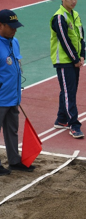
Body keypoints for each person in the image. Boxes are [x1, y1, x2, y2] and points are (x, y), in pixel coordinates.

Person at [0, 9, 35, 175]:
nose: (15, 29)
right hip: (0, 98)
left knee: (12, 130)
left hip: (13, 97)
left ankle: (14, 161)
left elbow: (16, 65)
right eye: (11, 26)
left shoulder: (14, 42)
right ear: (1, 26)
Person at [50, 0, 86, 139]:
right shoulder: (59, 17)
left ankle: (61, 119)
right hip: (64, 61)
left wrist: (82, 55)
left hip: (74, 60)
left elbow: (81, 36)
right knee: (69, 92)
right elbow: (64, 41)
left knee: (68, 90)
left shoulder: (75, 15)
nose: (73, 0)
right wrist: (75, 59)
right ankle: (74, 124)